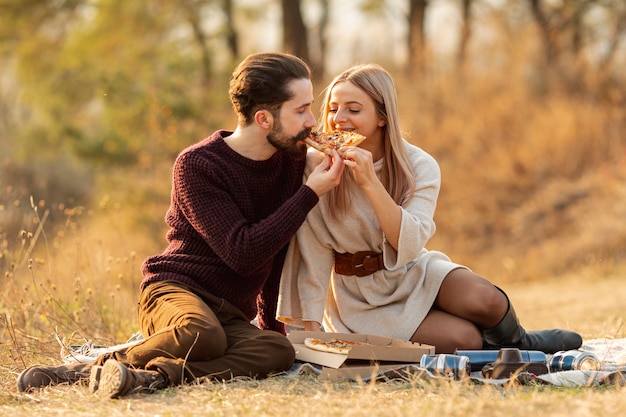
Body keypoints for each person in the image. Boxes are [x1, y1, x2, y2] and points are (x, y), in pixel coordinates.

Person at [17, 52, 345, 397]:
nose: (313, 121)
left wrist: (269, 329)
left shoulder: (290, 164)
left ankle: (152, 377)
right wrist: (311, 193)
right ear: (264, 118)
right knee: (202, 335)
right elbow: (244, 252)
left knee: (276, 351)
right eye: (301, 110)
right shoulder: (198, 165)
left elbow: (275, 252)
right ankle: (82, 370)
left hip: (230, 313)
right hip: (177, 290)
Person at [276, 63, 582, 354]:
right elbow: (312, 251)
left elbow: (409, 245)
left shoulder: (419, 165)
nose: (338, 118)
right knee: (465, 339)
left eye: (353, 109)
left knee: (487, 300)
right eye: (332, 109)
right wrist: (310, 332)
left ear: (383, 116)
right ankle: (491, 347)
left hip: (413, 272)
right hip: (359, 299)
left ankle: (522, 342)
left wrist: (370, 183)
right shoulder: (316, 167)